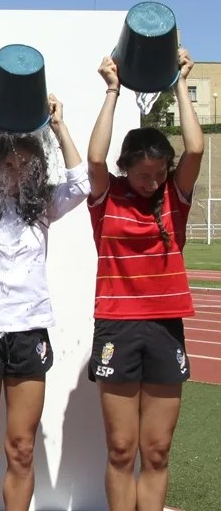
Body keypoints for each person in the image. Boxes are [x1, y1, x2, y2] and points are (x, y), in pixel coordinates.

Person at [0, 96, 88, 511]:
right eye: (9, 165)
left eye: (26, 165)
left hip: (28, 330)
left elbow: (81, 184)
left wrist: (58, 127)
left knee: (22, 448)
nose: (17, 172)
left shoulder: (41, 207)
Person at [86, 49, 203, 511]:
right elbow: (95, 156)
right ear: (126, 169)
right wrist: (112, 91)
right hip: (116, 325)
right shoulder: (107, 195)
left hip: (163, 328)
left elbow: (194, 147)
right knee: (121, 450)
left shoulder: (175, 198)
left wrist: (179, 81)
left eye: (158, 174)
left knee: (155, 451)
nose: (150, 182)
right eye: (142, 174)